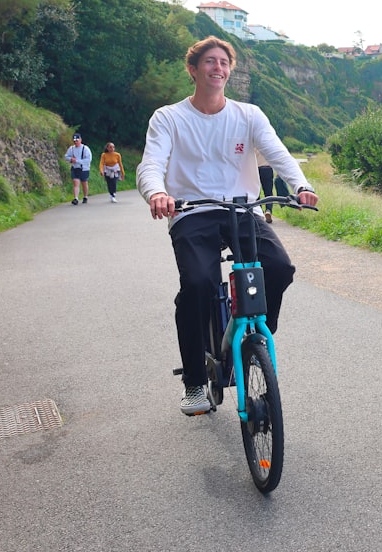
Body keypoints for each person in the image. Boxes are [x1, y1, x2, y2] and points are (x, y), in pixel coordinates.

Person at [136, 36, 318, 416]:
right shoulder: (169, 117)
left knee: (279, 268)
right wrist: (157, 193)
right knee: (198, 284)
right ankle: (194, 382)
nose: (217, 68)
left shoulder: (248, 115)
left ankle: (255, 338)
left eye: (223, 62)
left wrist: (300, 185)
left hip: (242, 210)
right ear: (193, 69)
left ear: (230, 70)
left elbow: (277, 153)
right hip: (191, 213)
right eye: (209, 62)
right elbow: (151, 163)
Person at [64, 133, 93, 205]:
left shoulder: (85, 149)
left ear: (80, 140)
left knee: (84, 183)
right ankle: (76, 198)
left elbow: (88, 160)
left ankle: (85, 196)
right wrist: (71, 159)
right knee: (75, 182)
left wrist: (77, 160)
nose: (76, 142)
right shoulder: (71, 148)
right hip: (75, 168)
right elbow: (66, 156)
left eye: (77, 140)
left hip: (84, 169)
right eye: (74, 141)